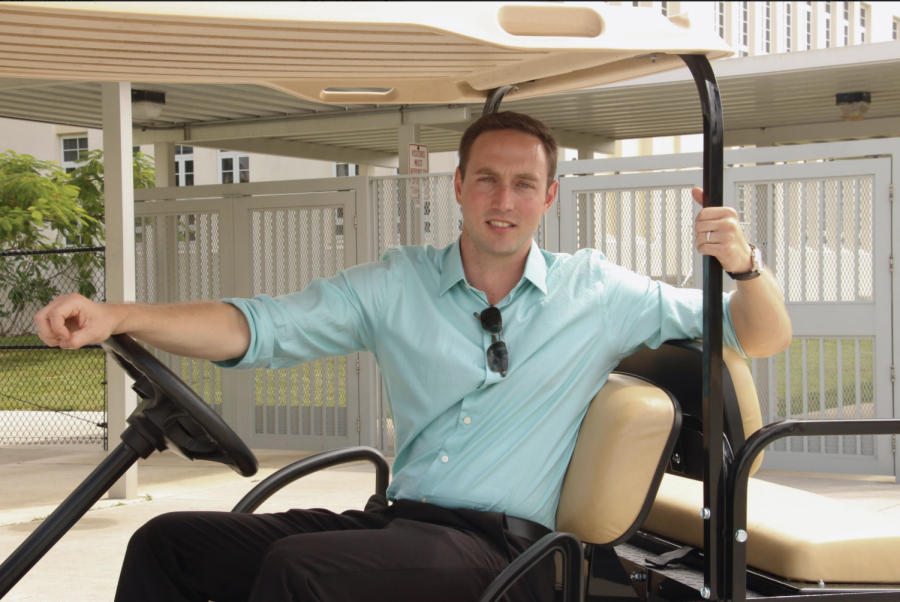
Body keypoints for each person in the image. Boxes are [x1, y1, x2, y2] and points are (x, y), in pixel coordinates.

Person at [34, 112, 791, 602]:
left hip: (505, 551)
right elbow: (259, 327)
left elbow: (759, 335)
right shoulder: (399, 284)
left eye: (524, 183)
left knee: (298, 575)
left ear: (549, 197)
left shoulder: (597, 291)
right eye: (487, 178)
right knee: (169, 544)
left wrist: (746, 264)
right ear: (458, 186)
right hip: (397, 524)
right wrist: (118, 317)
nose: (504, 198)